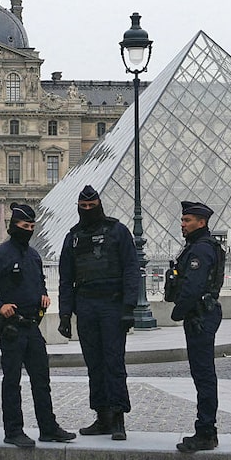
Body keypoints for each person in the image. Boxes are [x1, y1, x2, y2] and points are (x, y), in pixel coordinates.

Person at [0, 203, 76, 448]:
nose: (28, 230)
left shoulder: (34, 255)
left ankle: (48, 427)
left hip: (32, 326)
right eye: (24, 226)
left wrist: (43, 295)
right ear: (13, 226)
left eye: (31, 226)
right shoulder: (1, 254)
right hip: (12, 328)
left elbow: (39, 281)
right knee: (12, 381)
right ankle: (13, 430)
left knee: (42, 380)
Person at [58, 185, 139, 441]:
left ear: (100, 205)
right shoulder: (73, 237)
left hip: (112, 305)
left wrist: (129, 308)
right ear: (79, 208)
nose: (88, 211)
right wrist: (64, 315)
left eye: (92, 207)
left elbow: (131, 270)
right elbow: (65, 279)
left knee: (113, 362)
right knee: (94, 363)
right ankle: (102, 416)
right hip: (86, 305)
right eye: (84, 208)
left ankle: (118, 418)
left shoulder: (118, 231)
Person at [167, 201, 225, 452]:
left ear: (201, 223)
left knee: (203, 375)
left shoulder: (200, 250)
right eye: (182, 220)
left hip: (200, 316)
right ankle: (206, 429)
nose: (182, 224)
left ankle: (206, 431)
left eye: (187, 220)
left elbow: (192, 287)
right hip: (202, 314)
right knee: (202, 374)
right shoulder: (199, 246)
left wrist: (177, 313)